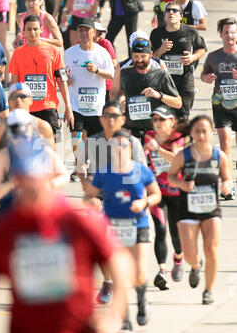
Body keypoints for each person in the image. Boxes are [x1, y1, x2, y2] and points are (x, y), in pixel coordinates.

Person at [0, 137, 131, 333]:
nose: (29, 184)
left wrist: (114, 314)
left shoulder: (78, 220)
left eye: (35, 177)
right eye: (22, 177)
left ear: (48, 176)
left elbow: (119, 260)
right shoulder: (6, 227)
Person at [83, 129, 161, 333]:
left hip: (138, 224)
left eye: (123, 145)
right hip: (112, 227)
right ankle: (125, 319)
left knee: (138, 274)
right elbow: (89, 195)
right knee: (119, 275)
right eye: (114, 146)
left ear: (129, 147)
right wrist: (93, 203)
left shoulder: (142, 170)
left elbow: (156, 194)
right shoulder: (103, 172)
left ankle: (143, 300)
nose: (119, 149)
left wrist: (144, 202)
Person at [76, 101, 146, 304]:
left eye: (115, 116)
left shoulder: (133, 142)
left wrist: (138, 200)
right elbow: (80, 166)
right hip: (99, 198)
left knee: (127, 253)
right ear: (101, 119)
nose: (111, 120)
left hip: (126, 200)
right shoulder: (92, 142)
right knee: (102, 247)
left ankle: (132, 288)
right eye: (107, 116)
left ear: (123, 119)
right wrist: (85, 182)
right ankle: (108, 281)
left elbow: (142, 173)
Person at [168, 115, 231, 305]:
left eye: (205, 130)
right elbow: (171, 176)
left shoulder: (219, 156)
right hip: (187, 209)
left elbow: (227, 177)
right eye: (197, 131)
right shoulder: (183, 155)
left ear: (211, 132)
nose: (201, 134)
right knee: (188, 253)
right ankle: (196, 265)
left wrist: (226, 186)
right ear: (192, 133)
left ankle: (208, 290)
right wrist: (181, 184)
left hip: (211, 209)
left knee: (211, 248)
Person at [0, 108, 69, 206]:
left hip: (40, 207)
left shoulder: (44, 151)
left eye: (24, 133)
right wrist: (11, 184)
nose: (20, 138)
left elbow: (64, 176)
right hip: (13, 208)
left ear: (31, 129)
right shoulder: (5, 156)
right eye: (16, 133)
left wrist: (47, 185)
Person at [64, 17, 114, 177]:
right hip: (76, 103)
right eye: (81, 30)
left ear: (94, 32)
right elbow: (62, 75)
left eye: (87, 30)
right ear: (77, 32)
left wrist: (98, 70)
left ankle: (93, 166)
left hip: (96, 105)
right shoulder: (69, 53)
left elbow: (112, 75)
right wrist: (67, 79)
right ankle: (79, 165)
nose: (84, 33)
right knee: (75, 136)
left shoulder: (101, 52)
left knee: (95, 139)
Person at [144, 105, 187, 290]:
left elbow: (176, 159)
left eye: (161, 119)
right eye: (155, 120)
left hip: (176, 191)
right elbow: (144, 156)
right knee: (160, 229)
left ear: (171, 122)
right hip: (158, 191)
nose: (157, 123)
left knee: (175, 233)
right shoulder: (149, 135)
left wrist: (158, 150)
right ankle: (161, 271)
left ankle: (178, 257)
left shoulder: (178, 137)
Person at [9, 14, 74, 135]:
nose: (33, 33)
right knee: (26, 149)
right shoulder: (18, 54)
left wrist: (68, 107)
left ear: (41, 30)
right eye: (29, 29)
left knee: (51, 147)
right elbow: (14, 83)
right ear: (23, 31)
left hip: (48, 107)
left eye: (35, 29)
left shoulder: (54, 51)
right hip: (25, 107)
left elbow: (62, 80)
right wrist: (12, 108)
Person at [150, 1, 207, 121]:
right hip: (163, 82)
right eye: (168, 10)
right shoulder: (156, 34)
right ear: (164, 16)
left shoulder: (190, 32)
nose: (171, 12)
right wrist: (161, 50)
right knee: (164, 118)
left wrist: (192, 57)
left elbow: (202, 48)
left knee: (183, 119)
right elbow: (151, 59)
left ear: (181, 16)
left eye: (175, 10)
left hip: (184, 81)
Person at [118, 37, 182, 143]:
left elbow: (178, 103)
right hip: (130, 130)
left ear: (151, 54)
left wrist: (159, 95)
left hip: (155, 131)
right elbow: (118, 94)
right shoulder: (125, 73)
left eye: (143, 56)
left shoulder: (161, 74)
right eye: (135, 56)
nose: (139, 60)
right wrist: (120, 100)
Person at [201, 17, 237, 201]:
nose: (230, 35)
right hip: (221, 106)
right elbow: (204, 73)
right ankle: (227, 185)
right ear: (221, 34)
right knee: (225, 145)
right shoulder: (213, 56)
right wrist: (206, 78)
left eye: (233, 32)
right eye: (226, 32)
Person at [0, 82, 55, 168]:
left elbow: (53, 160)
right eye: (14, 97)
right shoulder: (0, 127)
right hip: (9, 179)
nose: (18, 100)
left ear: (31, 100)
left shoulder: (42, 127)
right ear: (9, 102)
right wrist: (7, 169)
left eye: (22, 96)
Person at [93, 21, 118, 102]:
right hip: (87, 84)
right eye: (83, 30)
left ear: (98, 32)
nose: (85, 33)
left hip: (104, 83)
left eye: (88, 30)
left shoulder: (105, 43)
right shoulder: (80, 43)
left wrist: (97, 67)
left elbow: (114, 63)